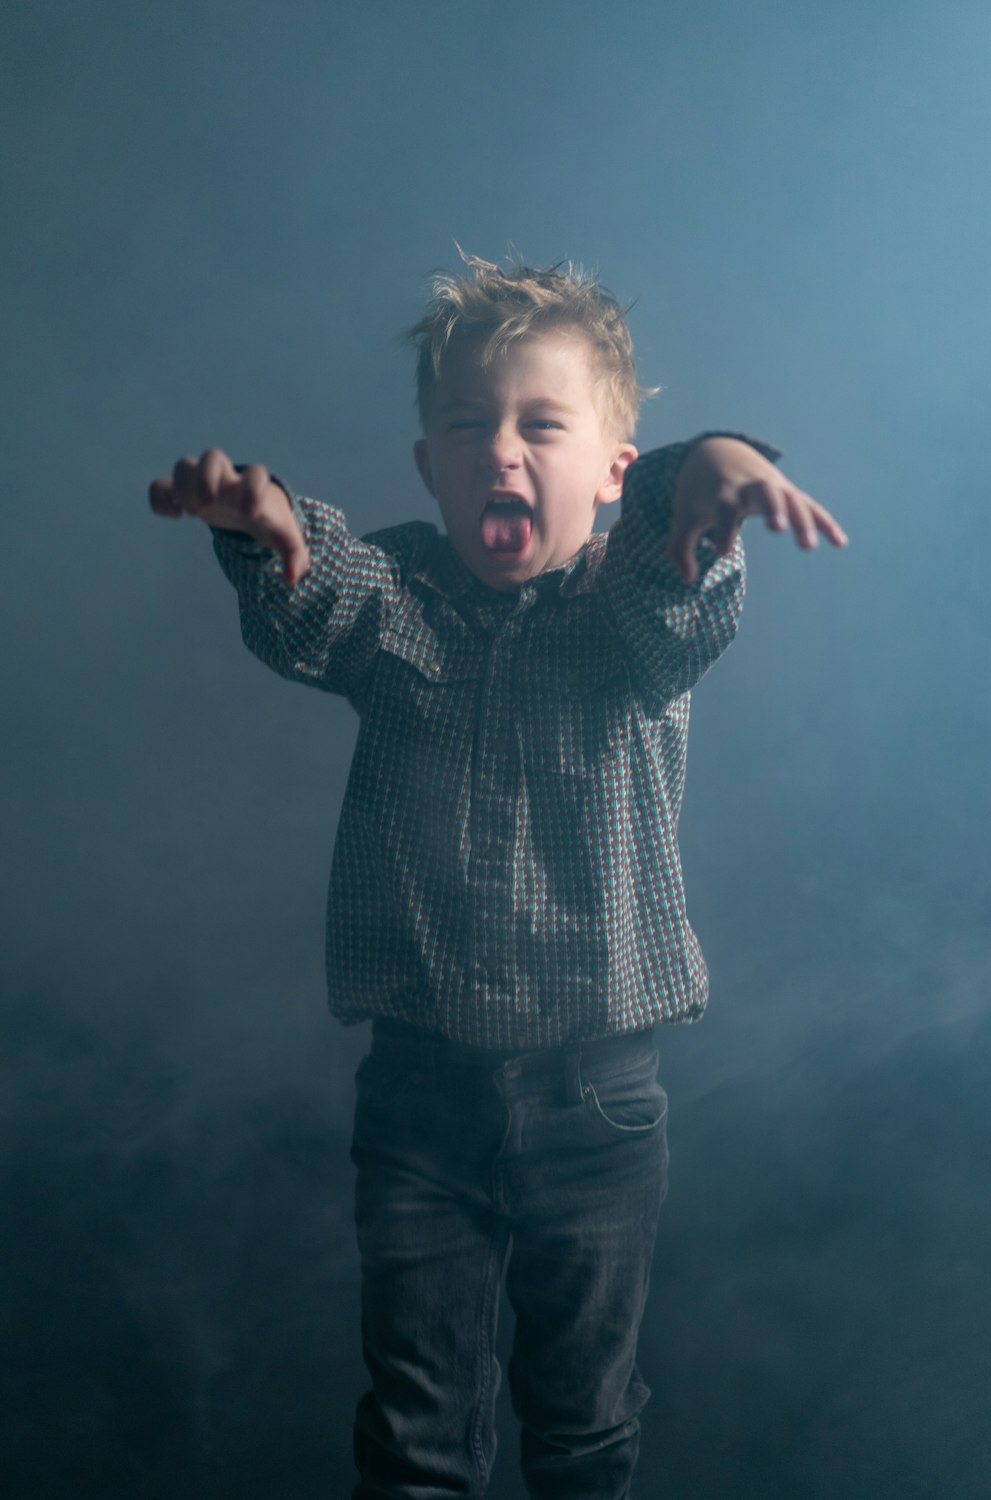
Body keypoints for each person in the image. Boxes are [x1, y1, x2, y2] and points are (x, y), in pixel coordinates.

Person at [150, 254, 847, 1499]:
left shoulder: (635, 602)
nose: (502, 454)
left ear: (611, 470)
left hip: (599, 1101)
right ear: (429, 465)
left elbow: (680, 597)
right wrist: (269, 535)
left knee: (581, 1426)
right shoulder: (402, 591)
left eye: (542, 425)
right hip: (420, 1100)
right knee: (418, 1437)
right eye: (467, 427)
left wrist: (714, 467)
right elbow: (326, 590)